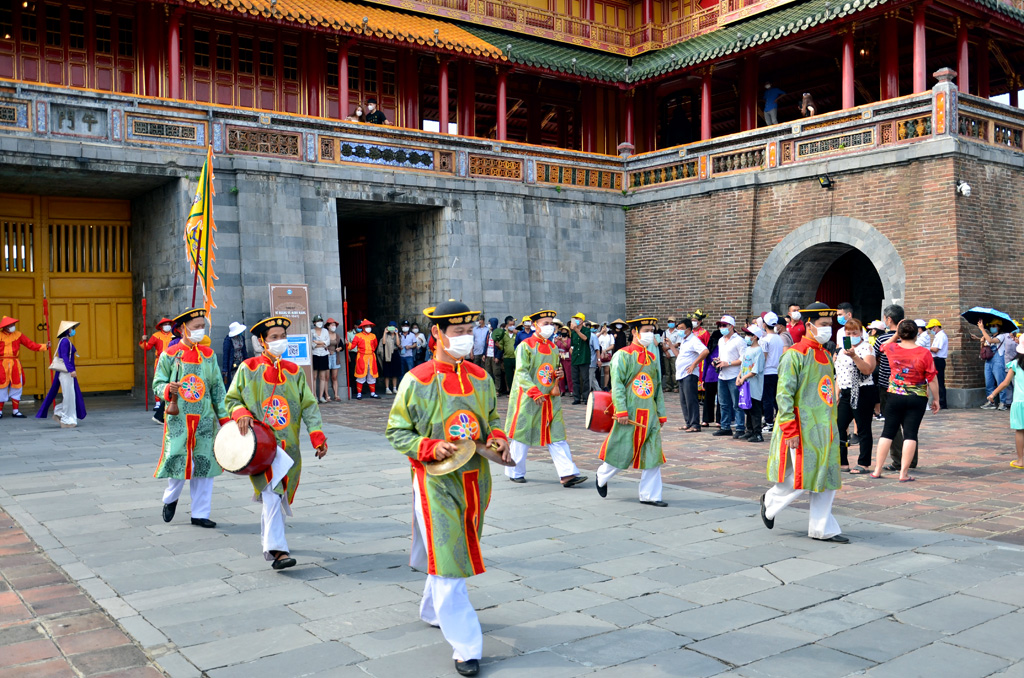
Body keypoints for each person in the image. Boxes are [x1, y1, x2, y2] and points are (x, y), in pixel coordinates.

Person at [385, 300, 511, 678]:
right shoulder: (417, 379)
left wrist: (499, 439)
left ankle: (431, 609)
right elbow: (396, 431)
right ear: (437, 334)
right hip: (434, 482)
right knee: (451, 560)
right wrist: (427, 446)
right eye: (458, 332)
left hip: (476, 481)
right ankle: (466, 646)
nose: (466, 338)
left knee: (451, 555)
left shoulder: (481, 377)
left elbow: (491, 419)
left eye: (469, 331)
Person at [226, 316, 328, 570]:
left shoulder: (294, 371)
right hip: (261, 446)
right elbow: (232, 399)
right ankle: (277, 550)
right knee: (272, 494)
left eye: (283, 336)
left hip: (289, 447)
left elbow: (309, 405)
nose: (280, 341)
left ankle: (269, 540)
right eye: (274, 337)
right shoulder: (248, 368)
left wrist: (317, 436)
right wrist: (241, 413)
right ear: (262, 341)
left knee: (279, 495)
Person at [759, 302, 847, 543]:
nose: (828, 329)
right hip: (803, 426)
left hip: (826, 427)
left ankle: (822, 528)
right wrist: (790, 429)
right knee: (802, 475)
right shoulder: (794, 355)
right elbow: (784, 395)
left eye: (830, 325)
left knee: (827, 478)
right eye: (823, 324)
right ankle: (770, 501)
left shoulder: (826, 355)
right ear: (809, 325)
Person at [152, 308, 229, 529]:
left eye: (202, 326)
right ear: (183, 328)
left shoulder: (209, 355)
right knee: (178, 461)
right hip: (179, 418)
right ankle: (171, 498)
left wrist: (225, 420)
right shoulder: (170, 355)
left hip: (204, 419)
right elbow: (157, 384)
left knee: (204, 465)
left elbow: (217, 389)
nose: (200, 330)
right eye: (196, 327)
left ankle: (200, 513)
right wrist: (168, 389)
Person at [504, 310, 587, 487]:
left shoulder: (553, 347)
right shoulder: (525, 346)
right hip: (529, 397)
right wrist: (534, 392)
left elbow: (554, 369)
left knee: (557, 434)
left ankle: (567, 473)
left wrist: (559, 374)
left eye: (551, 323)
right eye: (545, 323)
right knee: (522, 434)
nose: (550, 327)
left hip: (550, 398)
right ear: (535, 325)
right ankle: (515, 471)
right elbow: (521, 372)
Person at [595, 316, 669, 507]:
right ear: (635, 332)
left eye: (652, 331)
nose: (650, 334)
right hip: (630, 414)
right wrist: (621, 410)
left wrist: (660, 413)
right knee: (623, 450)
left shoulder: (652, 357)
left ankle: (651, 495)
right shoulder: (622, 355)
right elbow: (617, 385)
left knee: (653, 454)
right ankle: (602, 475)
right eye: (646, 331)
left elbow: (657, 387)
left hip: (649, 414)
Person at [870, 319, 939, 482]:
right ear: (916, 334)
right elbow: (932, 378)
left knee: (887, 432)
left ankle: (877, 470)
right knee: (910, 434)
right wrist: (936, 399)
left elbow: (881, 347)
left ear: (900, 334)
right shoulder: (924, 353)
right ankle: (903, 473)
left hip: (895, 395)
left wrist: (896, 334)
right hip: (917, 397)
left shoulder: (892, 348)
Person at [835, 319, 876, 473]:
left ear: (860, 333)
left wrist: (854, 356)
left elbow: (868, 369)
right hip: (846, 391)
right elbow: (839, 373)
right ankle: (842, 461)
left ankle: (863, 462)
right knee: (840, 426)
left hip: (862, 390)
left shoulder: (866, 348)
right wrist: (837, 392)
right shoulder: (841, 350)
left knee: (863, 427)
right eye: (849, 333)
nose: (852, 336)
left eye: (855, 333)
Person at [36, 320, 86, 428]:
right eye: (71, 329)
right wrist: (71, 370)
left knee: (70, 396)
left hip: (66, 372)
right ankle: (66, 420)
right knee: (69, 396)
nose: (73, 330)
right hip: (66, 372)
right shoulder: (64, 341)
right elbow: (64, 357)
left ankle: (59, 413)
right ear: (67, 330)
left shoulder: (64, 340)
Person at [0, 316, 49, 419]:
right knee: (1, 387)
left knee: (17, 386)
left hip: (15, 364)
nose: (13, 326)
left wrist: (45, 346)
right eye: (11, 325)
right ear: (5, 326)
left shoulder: (18, 335)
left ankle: (16, 411)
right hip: (1, 364)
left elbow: (30, 344)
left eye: (13, 324)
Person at [988, 337, 1024, 469]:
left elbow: (1005, 383)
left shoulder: (1015, 364)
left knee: (1020, 431)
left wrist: (993, 394)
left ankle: (1021, 460)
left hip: (1019, 402)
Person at [712, 315, 746, 438]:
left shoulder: (739, 340)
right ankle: (725, 426)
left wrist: (729, 363)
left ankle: (740, 427)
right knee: (723, 403)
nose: (722, 328)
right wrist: (717, 361)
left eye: (724, 325)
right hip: (722, 375)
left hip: (734, 375)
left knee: (737, 404)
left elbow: (744, 359)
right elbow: (722, 356)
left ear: (731, 326)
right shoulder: (721, 340)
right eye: (720, 326)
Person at [673, 318, 709, 432]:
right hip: (681, 374)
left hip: (689, 374)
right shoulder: (684, 340)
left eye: (681, 328)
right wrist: (670, 345)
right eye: (678, 328)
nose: (679, 331)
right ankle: (688, 422)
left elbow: (705, 351)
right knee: (684, 400)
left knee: (691, 399)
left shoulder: (694, 340)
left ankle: (695, 424)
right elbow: (680, 356)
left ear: (688, 329)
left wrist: (694, 364)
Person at [141, 317, 175, 422]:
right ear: (161, 326)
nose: (167, 326)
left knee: (171, 380)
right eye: (165, 324)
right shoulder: (156, 336)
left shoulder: (173, 335)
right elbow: (147, 347)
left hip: (172, 360)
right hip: (159, 360)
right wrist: (143, 340)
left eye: (169, 324)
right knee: (159, 380)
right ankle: (158, 402)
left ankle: (168, 399)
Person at [737, 325, 766, 442]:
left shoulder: (759, 351)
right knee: (747, 408)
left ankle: (757, 433)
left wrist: (743, 377)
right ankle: (749, 430)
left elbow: (755, 370)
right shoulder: (747, 350)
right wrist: (739, 376)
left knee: (755, 410)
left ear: (755, 337)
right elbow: (743, 365)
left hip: (754, 386)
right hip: (745, 384)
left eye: (749, 334)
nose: (747, 337)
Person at [979, 320, 1015, 411]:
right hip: (989, 361)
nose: (992, 327)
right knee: (989, 382)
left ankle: (1003, 402)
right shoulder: (989, 336)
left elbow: (991, 341)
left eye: (994, 326)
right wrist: (982, 342)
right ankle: (991, 401)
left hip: (998, 360)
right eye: (991, 326)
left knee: (1000, 381)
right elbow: (984, 349)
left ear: (999, 327)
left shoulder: (1001, 336)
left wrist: (982, 329)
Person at [761, 312, 783, 432]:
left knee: (767, 399)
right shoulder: (779, 338)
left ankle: (769, 422)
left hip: (767, 372)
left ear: (764, 324)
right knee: (775, 398)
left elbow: (763, 357)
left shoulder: (765, 340)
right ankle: (779, 421)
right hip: (777, 371)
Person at [347, 319, 380, 399]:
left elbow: (375, 345)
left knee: (372, 375)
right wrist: (348, 343)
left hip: (371, 357)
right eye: (367, 326)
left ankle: (373, 393)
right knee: (360, 375)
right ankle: (359, 394)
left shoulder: (373, 336)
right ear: (363, 327)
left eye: (369, 326)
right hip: (361, 357)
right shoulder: (358, 336)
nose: (368, 328)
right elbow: (352, 346)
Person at [569, 313, 592, 405]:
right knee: (575, 379)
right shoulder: (573, 333)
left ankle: (586, 397)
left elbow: (585, 338)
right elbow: (572, 345)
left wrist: (577, 330)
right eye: (575, 319)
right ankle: (576, 398)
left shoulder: (586, 330)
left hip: (584, 357)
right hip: (575, 358)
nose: (576, 321)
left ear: (582, 321)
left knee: (585, 379)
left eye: (577, 319)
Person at [701, 328, 722, 428]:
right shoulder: (721, 347)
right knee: (720, 399)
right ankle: (719, 420)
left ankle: (706, 419)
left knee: (708, 399)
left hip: (710, 375)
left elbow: (705, 364)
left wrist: (703, 378)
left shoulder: (710, 347)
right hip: (719, 375)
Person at [927, 319, 948, 409]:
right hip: (936, 359)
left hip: (938, 359)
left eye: (931, 328)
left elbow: (936, 349)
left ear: (936, 327)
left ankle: (942, 402)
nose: (930, 330)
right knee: (937, 381)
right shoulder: (938, 336)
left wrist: (927, 348)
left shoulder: (941, 336)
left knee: (939, 382)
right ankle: (940, 401)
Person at [309, 315, 331, 403]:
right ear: (314, 323)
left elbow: (327, 342)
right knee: (314, 376)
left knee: (322, 376)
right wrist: (321, 343)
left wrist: (318, 343)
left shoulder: (325, 331)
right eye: (318, 321)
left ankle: (321, 396)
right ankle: (314, 395)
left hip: (324, 354)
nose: (319, 323)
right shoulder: (311, 332)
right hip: (315, 354)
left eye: (321, 321)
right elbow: (312, 344)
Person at [222, 321, 249, 389]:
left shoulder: (241, 338)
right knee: (234, 381)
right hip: (233, 364)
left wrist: (247, 362)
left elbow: (244, 351)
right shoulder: (228, 341)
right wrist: (225, 369)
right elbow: (226, 355)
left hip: (241, 361)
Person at [377, 323, 402, 395]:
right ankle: (387, 388)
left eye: (393, 327)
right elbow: (384, 342)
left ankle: (394, 388)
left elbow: (398, 344)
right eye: (390, 327)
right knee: (387, 372)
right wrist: (385, 332)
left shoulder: (398, 335)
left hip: (395, 353)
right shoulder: (386, 335)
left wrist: (396, 333)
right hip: (387, 354)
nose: (392, 329)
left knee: (395, 372)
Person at [494, 316, 516, 396]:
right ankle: (511, 392)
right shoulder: (504, 334)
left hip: (516, 357)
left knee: (518, 375)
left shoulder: (517, 333)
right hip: (507, 358)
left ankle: (518, 391)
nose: (512, 326)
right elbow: (501, 347)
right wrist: (498, 346)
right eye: (510, 325)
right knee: (509, 376)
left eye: (513, 324)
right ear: (507, 325)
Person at [484, 318, 504, 391]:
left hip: (494, 356)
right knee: (488, 373)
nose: (488, 325)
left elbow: (501, 346)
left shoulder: (498, 332)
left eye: (489, 323)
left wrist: (498, 356)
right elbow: (485, 344)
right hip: (488, 355)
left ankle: (497, 389)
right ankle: (490, 389)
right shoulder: (488, 332)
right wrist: (484, 354)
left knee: (496, 373)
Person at [326, 318, 343, 401]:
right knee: (326, 377)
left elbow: (342, 345)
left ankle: (336, 395)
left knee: (334, 377)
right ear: (328, 326)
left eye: (334, 325)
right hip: (326, 356)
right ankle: (326, 395)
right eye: (332, 325)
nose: (333, 326)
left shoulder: (337, 336)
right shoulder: (325, 334)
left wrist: (339, 348)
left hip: (335, 356)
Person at [554, 322, 573, 395]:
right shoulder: (558, 340)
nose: (563, 332)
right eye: (562, 331)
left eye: (564, 331)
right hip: (560, 359)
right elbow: (555, 348)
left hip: (568, 359)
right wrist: (556, 342)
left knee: (569, 375)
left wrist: (562, 340)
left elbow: (568, 347)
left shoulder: (569, 340)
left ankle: (571, 390)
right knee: (560, 375)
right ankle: (562, 390)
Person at [598, 323, 615, 390]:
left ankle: (605, 386)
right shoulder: (599, 335)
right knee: (598, 371)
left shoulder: (610, 336)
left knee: (607, 371)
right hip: (599, 354)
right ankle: (598, 386)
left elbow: (612, 345)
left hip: (608, 354)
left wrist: (605, 350)